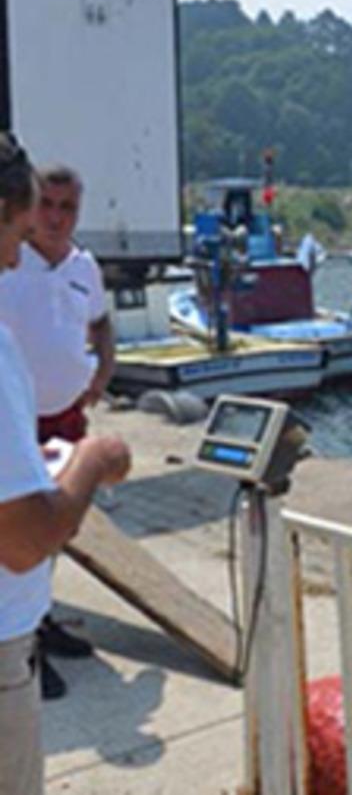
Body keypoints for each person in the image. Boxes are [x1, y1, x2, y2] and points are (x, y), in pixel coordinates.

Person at [0, 133, 131, 795]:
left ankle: (44, 623)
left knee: (57, 537)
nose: (47, 223)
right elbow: (21, 536)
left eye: (64, 208)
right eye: (37, 210)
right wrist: (97, 460)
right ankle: (31, 641)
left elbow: (101, 324)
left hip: (60, 415)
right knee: (38, 529)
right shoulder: (7, 274)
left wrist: (101, 372)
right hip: (20, 423)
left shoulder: (84, 267)